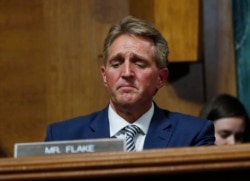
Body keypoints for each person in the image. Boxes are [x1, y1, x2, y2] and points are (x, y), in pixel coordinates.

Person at [44, 15, 215, 151]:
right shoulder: (62, 137)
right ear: (104, 76)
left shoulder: (193, 135)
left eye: (139, 64)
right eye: (116, 64)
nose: (126, 73)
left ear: (161, 78)